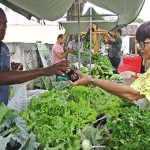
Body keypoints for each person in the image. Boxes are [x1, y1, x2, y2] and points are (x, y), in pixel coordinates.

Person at [0, 8, 71, 105]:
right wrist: (43, 71)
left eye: (5, 23)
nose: (3, 27)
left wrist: (11, 67)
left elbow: (4, 71)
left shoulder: (4, 48)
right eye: (0, 23)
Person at [69, 21, 150, 102]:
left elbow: (131, 93)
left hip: (116, 57)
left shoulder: (118, 39)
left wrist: (91, 80)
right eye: (139, 44)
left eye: (142, 44)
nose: (139, 48)